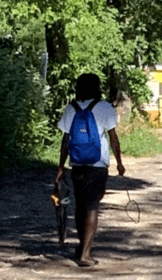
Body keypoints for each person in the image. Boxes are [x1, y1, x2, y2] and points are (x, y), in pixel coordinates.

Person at [55, 73, 125, 267]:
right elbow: (113, 138)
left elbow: (65, 141)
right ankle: (85, 254)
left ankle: (81, 245)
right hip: (97, 165)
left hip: (76, 164)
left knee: (80, 205)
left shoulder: (71, 107)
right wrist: (119, 162)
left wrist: (60, 167)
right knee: (92, 206)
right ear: (97, 87)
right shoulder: (104, 107)